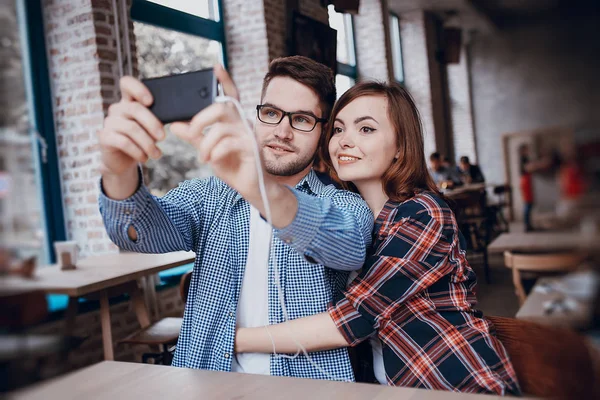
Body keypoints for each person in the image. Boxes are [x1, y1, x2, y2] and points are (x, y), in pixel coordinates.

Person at [234, 81, 521, 395]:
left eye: (366, 129)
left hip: (456, 384)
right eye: (339, 130)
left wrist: (231, 338)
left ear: (400, 146)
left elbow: (350, 321)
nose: (344, 141)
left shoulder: (424, 213)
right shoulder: (345, 221)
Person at [97, 56, 374, 380]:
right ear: (256, 117)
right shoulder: (210, 196)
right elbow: (138, 231)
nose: (282, 131)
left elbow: (349, 245)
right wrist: (118, 173)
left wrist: (259, 187)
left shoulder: (343, 204)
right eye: (271, 114)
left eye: (301, 119)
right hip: (208, 382)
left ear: (323, 131)